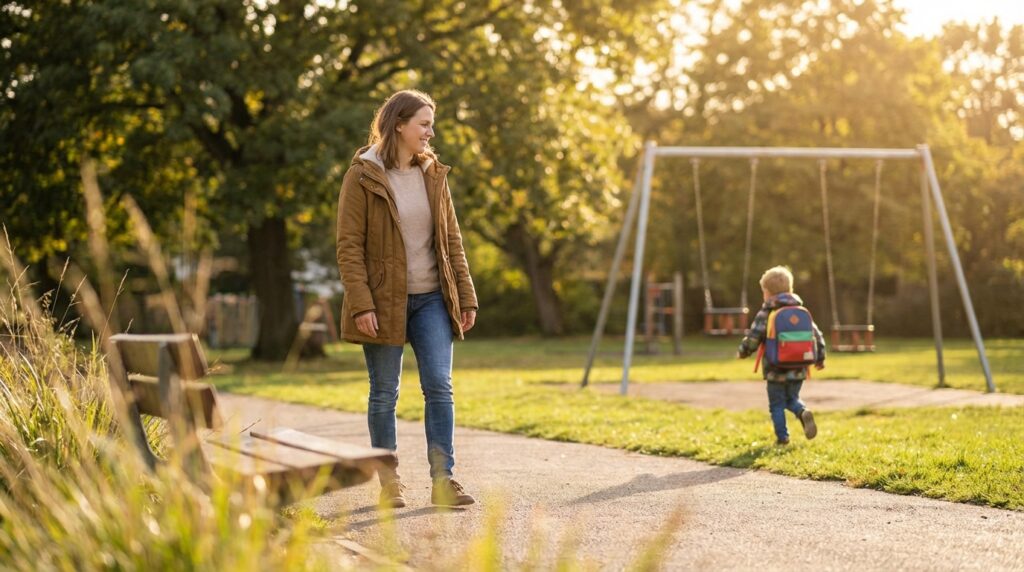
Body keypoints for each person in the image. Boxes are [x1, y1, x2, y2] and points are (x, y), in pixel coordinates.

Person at [336, 90, 478, 507]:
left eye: (431, 124)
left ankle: (443, 480)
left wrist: (465, 296)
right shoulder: (362, 176)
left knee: (439, 386)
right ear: (399, 124)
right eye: (424, 124)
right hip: (382, 302)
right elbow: (348, 246)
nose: (431, 133)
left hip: (432, 298)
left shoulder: (434, 174)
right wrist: (362, 304)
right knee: (384, 391)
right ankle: (389, 483)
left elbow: (451, 240)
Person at [737, 266, 826, 445]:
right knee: (792, 398)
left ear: (767, 293)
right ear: (790, 290)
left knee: (777, 404)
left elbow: (754, 337)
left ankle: (783, 438)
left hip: (775, 368)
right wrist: (820, 358)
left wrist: (743, 351)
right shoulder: (801, 310)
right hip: (799, 366)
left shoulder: (766, 312)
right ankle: (801, 411)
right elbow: (816, 335)